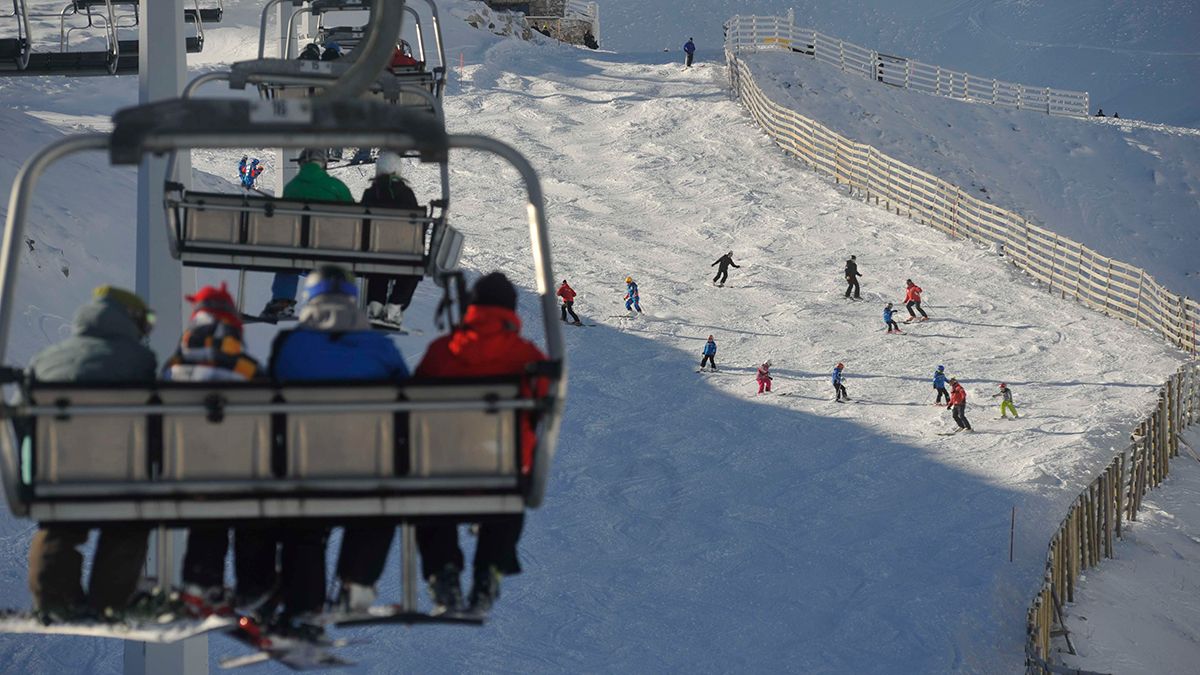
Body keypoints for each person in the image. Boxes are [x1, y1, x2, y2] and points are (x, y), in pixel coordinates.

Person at [249, 266, 408, 634]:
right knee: (377, 508)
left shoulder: (291, 345)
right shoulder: (380, 346)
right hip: (368, 468)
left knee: (304, 528)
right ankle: (355, 583)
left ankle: (306, 607)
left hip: (307, 468)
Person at [413, 272, 550, 614]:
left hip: (445, 466)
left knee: (431, 504)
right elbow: (542, 401)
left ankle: (443, 570)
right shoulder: (527, 355)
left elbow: (415, 398)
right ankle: (490, 568)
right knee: (507, 500)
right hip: (502, 467)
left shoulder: (443, 351)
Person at [26, 286, 157, 621]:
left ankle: (55, 600)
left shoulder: (48, 357)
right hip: (115, 472)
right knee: (128, 526)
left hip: (53, 472)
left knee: (60, 526)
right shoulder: (138, 359)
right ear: (132, 320)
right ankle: (111, 600)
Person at [162, 284, 261, 617]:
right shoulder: (243, 365)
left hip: (183, 470)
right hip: (240, 473)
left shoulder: (174, 365)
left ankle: (200, 584)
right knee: (252, 513)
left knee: (208, 512)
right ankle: (254, 588)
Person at [262, 148, 354, 321]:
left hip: (297, 247)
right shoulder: (335, 187)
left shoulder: (292, 187)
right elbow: (352, 214)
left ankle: (282, 301)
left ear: (301, 164)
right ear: (323, 164)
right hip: (328, 247)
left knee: (288, 263)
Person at [361, 151, 421, 328]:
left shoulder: (371, 193)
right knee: (411, 270)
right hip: (402, 252)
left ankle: (375, 304)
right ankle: (395, 306)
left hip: (374, 250)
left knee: (378, 265)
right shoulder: (406, 194)